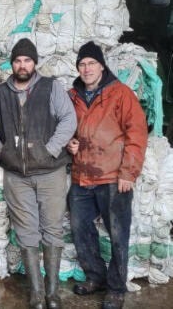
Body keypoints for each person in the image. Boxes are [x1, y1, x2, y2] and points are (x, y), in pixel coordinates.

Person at [0, 38, 76, 309]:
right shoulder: (0, 92)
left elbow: (69, 119)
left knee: (52, 228)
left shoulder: (51, 88)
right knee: (26, 232)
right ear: (12, 64)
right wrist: (2, 153)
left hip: (51, 172)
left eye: (27, 60)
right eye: (17, 60)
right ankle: (36, 293)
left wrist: (50, 149)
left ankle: (53, 293)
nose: (22, 65)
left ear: (34, 63)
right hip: (17, 175)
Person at [67, 41, 148, 309]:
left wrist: (129, 172)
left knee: (117, 234)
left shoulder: (121, 94)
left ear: (102, 66)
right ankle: (95, 277)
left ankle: (116, 288)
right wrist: (70, 143)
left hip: (113, 177)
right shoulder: (72, 95)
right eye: (82, 64)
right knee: (81, 230)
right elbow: (65, 127)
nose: (86, 68)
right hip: (82, 175)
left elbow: (137, 134)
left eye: (91, 63)